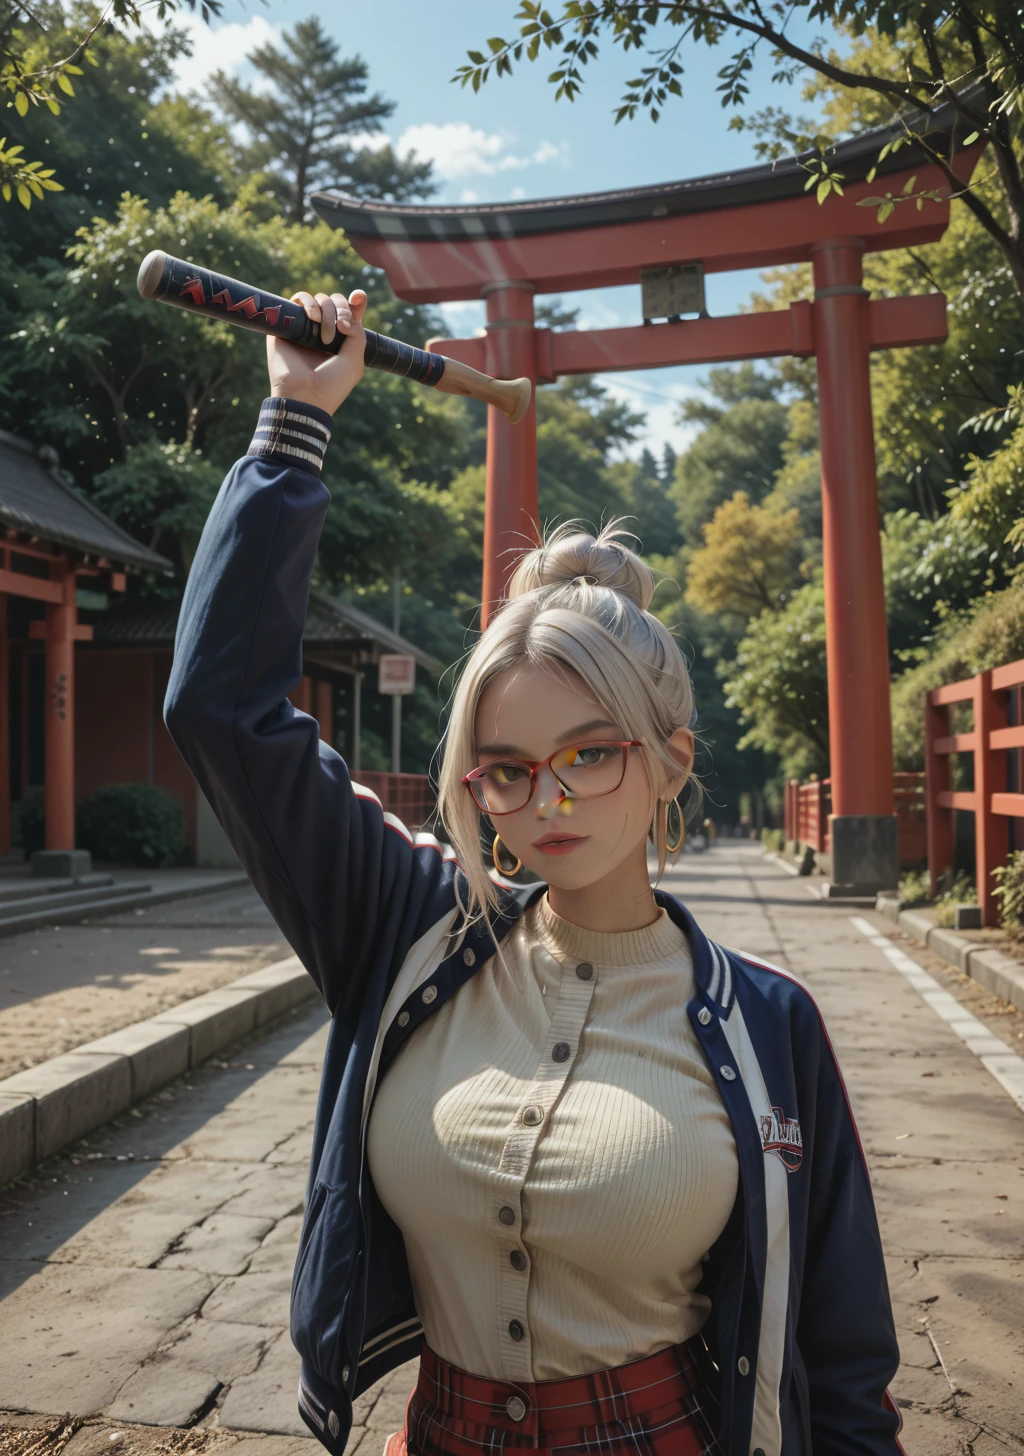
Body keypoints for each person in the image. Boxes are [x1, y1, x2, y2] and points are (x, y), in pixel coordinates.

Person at [165, 285, 905, 1456]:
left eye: (589, 755)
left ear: (669, 764)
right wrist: (296, 418)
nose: (542, 801)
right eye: (503, 768)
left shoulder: (769, 1024)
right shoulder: (407, 927)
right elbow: (221, 707)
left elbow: (845, 1360)